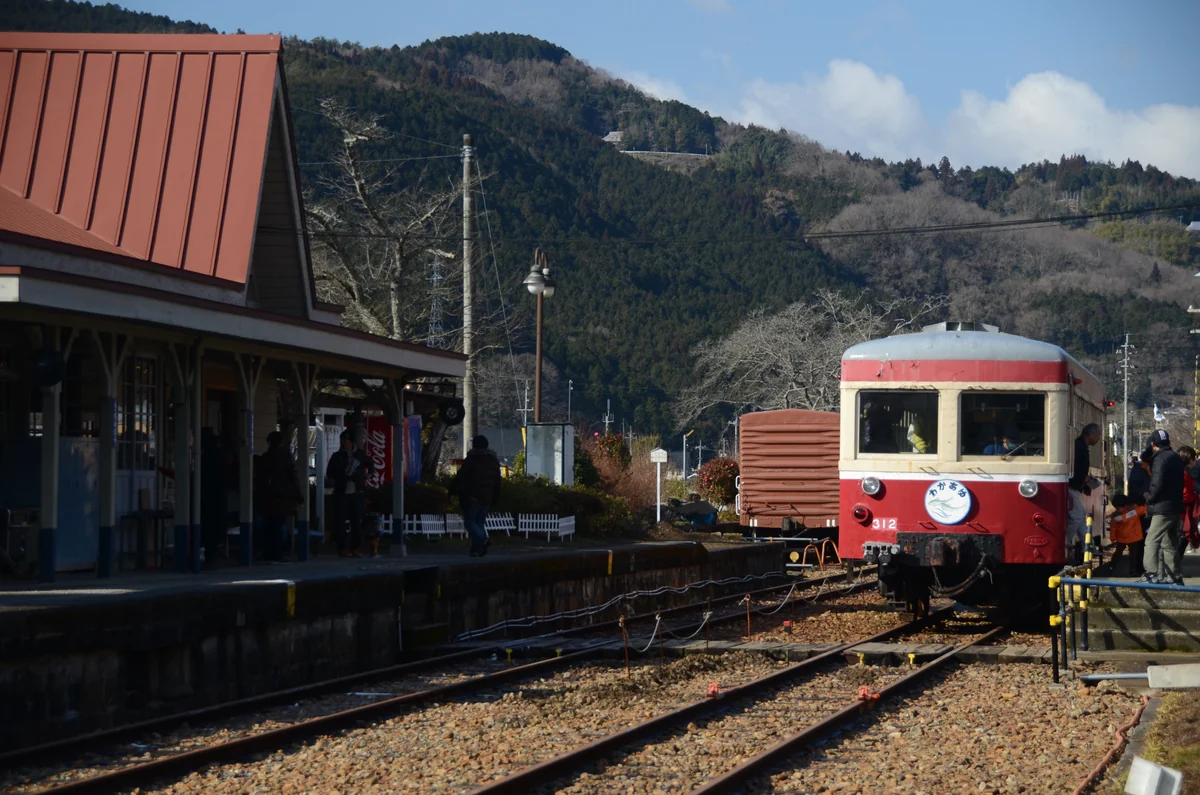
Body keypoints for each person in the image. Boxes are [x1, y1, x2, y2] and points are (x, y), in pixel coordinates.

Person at [1142, 429, 1184, 585]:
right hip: (1175, 507)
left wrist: (1150, 497)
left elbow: (1157, 483)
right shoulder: (1176, 458)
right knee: (1170, 542)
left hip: (1162, 508)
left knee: (1152, 540)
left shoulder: (1160, 460)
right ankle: (1175, 576)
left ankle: (1151, 573)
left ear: (1153, 445)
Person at [451, 435, 502, 557]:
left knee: (470, 522)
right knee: (479, 523)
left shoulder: (472, 459)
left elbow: (461, 477)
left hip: (473, 495)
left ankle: (482, 539)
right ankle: (476, 550)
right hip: (488, 496)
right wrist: (495, 495)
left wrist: (453, 489)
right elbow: (497, 480)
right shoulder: (493, 460)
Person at [326, 430, 373, 558]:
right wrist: (342, 474)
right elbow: (330, 472)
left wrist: (369, 474)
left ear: (350, 441)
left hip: (356, 492)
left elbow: (370, 463)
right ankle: (342, 548)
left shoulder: (359, 454)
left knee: (356, 521)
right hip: (342, 492)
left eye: (345, 440)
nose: (343, 443)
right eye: (341, 441)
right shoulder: (337, 456)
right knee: (340, 521)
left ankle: (355, 548)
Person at [258, 431, 302, 562]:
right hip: (283, 496)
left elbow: (261, 478)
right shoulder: (286, 457)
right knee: (279, 525)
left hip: (268, 497)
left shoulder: (265, 457)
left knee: (269, 526)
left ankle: (268, 552)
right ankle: (278, 553)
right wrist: (298, 495)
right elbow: (293, 476)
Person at [1067, 423, 1102, 564]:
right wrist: (1084, 479)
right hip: (1071, 487)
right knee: (1076, 517)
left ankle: (1088, 545)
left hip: (1075, 486)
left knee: (1081, 517)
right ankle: (1065, 540)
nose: (1099, 438)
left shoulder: (1080, 446)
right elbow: (1075, 469)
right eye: (1098, 435)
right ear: (1091, 434)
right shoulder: (1079, 447)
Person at [1107, 493, 1146, 577]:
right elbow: (1113, 528)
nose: (1117, 509)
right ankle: (1113, 565)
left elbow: (1144, 509)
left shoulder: (1121, 514)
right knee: (1122, 553)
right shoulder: (1133, 510)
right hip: (1131, 537)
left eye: (1118, 507)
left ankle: (1132, 570)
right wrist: (1113, 537)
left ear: (1124, 505)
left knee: (1132, 555)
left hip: (1130, 537)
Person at [1177, 446, 1200, 556]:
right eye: (1194, 459)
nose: (1195, 461)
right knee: (1182, 537)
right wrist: (1194, 496)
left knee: (1184, 537)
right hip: (1183, 511)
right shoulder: (1183, 473)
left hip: (1186, 511)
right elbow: (1184, 494)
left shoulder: (1185, 472)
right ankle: (1173, 569)